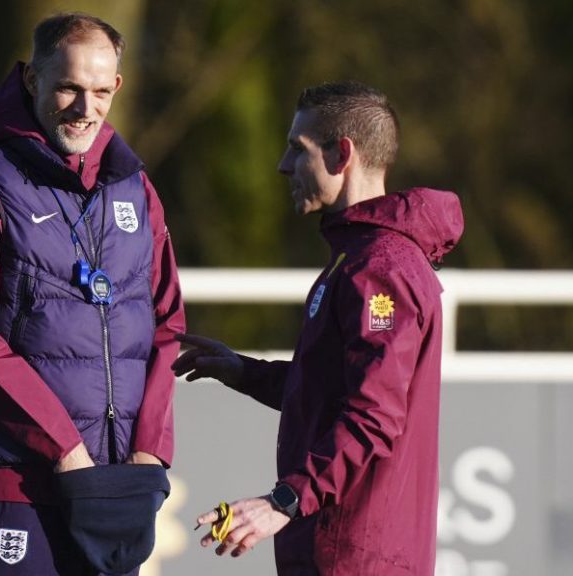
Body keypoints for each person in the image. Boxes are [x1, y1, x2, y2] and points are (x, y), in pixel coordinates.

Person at [0, 12, 185, 576]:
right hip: (20, 483)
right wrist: (65, 449)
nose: (84, 108)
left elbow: (166, 325)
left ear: (117, 86)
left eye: (101, 91)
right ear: (31, 79)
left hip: (116, 487)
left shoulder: (136, 188)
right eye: (68, 87)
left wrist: (149, 453)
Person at [173, 81, 464, 574]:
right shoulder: (356, 258)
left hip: (356, 554)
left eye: (297, 148)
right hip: (340, 548)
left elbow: (373, 416)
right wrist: (243, 371)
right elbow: (335, 391)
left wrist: (285, 500)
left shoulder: (380, 268)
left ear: (341, 154)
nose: (283, 165)